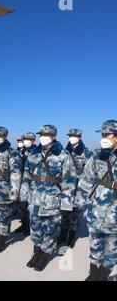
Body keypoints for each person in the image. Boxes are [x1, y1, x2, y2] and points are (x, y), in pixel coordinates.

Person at [20, 125, 75, 271]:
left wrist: (66, 205)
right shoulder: (33, 154)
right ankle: (36, 252)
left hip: (52, 201)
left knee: (50, 231)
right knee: (35, 229)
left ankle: (44, 256)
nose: (43, 137)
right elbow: (26, 177)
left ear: (54, 136)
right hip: (34, 200)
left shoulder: (63, 155)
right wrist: (23, 197)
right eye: (42, 135)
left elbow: (69, 181)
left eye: (47, 135)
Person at [76, 120, 117, 281]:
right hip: (95, 210)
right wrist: (79, 202)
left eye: (107, 134)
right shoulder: (96, 155)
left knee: (111, 249)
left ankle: (102, 275)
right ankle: (93, 273)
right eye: (102, 134)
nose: (103, 138)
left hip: (114, 213)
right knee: (95, 244)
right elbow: (86, 179)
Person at [59, 129, 92, 248]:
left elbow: (89, 173)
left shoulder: (86, 153)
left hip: (78, 188)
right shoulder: (64, 152)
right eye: (70, 135)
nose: (72, 138)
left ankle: (72, 237)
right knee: (63, 212)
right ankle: (62, 234)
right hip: (64, 187)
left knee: (74, 214)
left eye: (74, 136)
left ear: (80, 137)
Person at [14, 132, 37, 236]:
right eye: (24, 139)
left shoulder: (35, 152)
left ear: (33, 141)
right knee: (21, 205)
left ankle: (29, 227)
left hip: (31, 182)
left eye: (27, 139)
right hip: (21, 181)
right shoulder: (22, 151)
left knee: (29, 206)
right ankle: (23, 224)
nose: (25, 141)